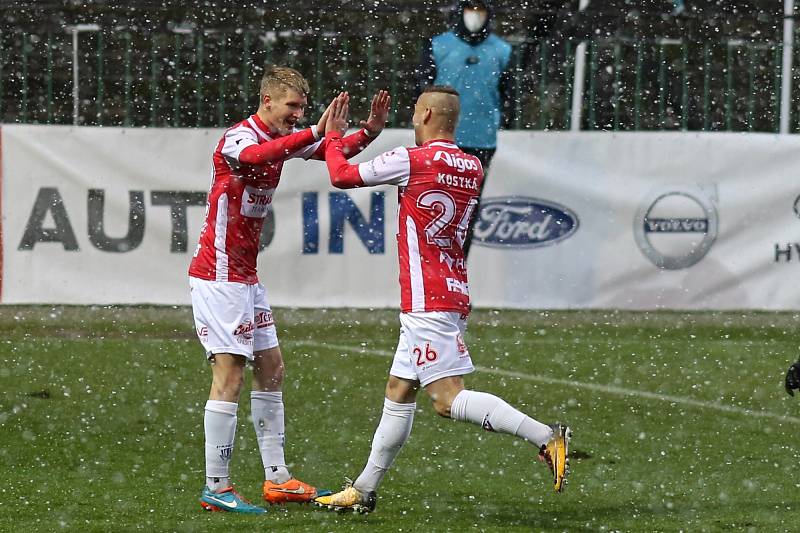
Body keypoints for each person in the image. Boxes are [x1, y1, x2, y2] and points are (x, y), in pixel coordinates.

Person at [313, 85, 570, 514]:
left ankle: (547, 436)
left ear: (428, 113)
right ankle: (363, 489)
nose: (413, 121)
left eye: (415, 113)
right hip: (451, 285)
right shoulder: (471, 166)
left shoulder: (410, 160)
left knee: (446, 399)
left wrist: (339, 136)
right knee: (398, 390)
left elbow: (341, 175)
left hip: (426, 297)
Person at [189, 65, 390, 514]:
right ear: (268, 102)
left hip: (245, 277)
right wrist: (312, 133)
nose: (298, 116)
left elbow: (332, 149)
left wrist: (370, 132)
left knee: (271, 368)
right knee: (230, 377)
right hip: (219, 275)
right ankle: (216, 487)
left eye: (302, 109)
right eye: (292, 107)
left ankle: (277, 478)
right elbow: (261, 157)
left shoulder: (285, 137)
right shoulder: (238, 139)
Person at [416, 0, 514, 258]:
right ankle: (430, 275)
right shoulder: (438, 45)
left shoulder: (502, 50)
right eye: (471, 8)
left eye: (480, 9)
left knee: (467, 212)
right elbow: (421, 92)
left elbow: (509, 96)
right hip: (438, 142)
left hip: (481, 142)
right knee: (433, 208)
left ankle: (455, 276)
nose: (475, 15)